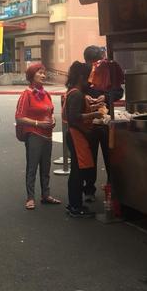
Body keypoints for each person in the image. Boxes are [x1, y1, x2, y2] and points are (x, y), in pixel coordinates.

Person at [15, 62, 60, 210]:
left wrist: (53, 120)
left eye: (44, 72)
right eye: (39, 72)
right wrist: (38, 123)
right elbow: (19, 117)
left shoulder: (46, 94)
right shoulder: (26, 94)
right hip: (34, 134)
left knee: (46, 166)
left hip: (48, 135)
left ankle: (45, 195)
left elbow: (50, 112)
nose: (43, 75)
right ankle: (30, 197)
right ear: (31, 75)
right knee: (32, 166)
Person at [82, 45, 124, 203]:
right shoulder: (83, 72)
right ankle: (89, 189)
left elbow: (119, 92)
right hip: (90, 122)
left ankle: (111, 187)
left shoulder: (108, 70)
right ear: (89, 61)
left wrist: (105, 98)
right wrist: (86, 97)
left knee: (110, 156)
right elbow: (76, 90)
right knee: (90, 158)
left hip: (105, 121)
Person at [63, 61, 104, 218]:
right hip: (76, 135)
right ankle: (75, 206)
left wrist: (92, 108)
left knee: (78, 171)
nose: (90, 81)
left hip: (77, 135)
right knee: (77, 173)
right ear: (81, 77)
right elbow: (74, 118)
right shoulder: (76, 94)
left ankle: (75, 204)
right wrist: (94, 115)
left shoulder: (75, 93)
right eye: (88, 77)